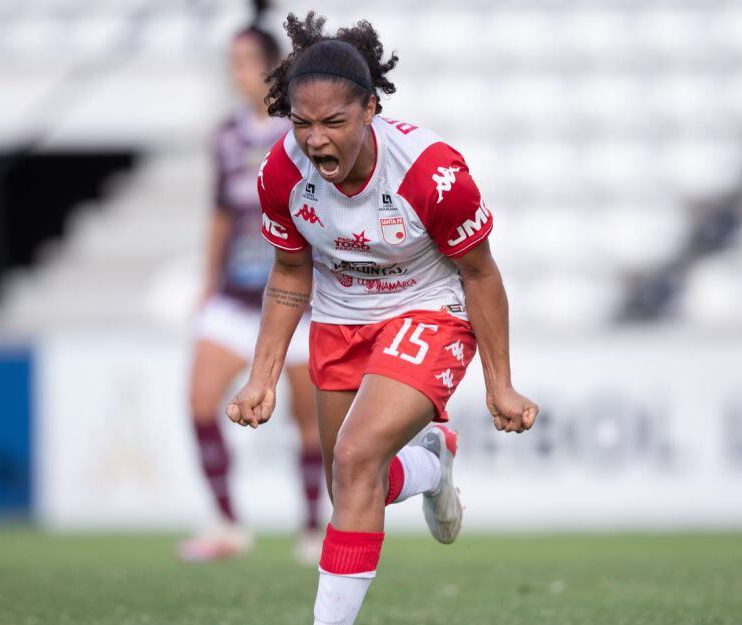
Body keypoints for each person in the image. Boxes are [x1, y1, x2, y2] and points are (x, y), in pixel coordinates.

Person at [226, 13, 539, 625]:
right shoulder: (281, 173)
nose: (316, 141)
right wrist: (261, 376)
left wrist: (499, 382)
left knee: (357, 453)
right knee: (349, 486)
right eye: (303, 123)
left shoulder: (432, 174)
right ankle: (429, 464)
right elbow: (290, 275)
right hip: (340, 316)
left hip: (427, 307)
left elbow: (480, 273)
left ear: (371, 109)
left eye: (334, 123)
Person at [179, 23, 325, 565]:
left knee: (308, 422)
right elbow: (220, 212)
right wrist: (205, 282)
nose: (235, 72)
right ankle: (226, 523)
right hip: (236, 297)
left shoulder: (303, 131)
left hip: (299, 299)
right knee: (198, 403)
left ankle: (313, 528)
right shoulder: (225, 136)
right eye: (232, 62)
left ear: (271, 66)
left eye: (244, 61)